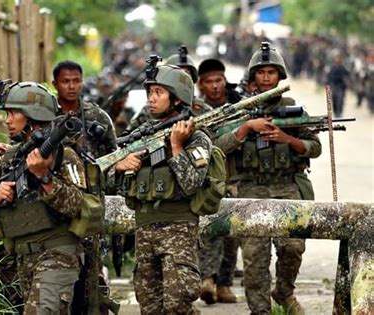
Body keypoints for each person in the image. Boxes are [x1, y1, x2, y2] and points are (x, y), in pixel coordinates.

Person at [0, 81, 86, 314]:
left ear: (33, 116)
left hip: (57, 254)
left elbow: (78, 206)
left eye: (13, 113)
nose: (7, 120)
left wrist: (45, 177)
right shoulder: (10, 157)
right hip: (20, 261)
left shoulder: (63, 155)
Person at [218, 42, 321, 315]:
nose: (266, 78)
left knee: (293, 247)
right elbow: (218, 147)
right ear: (253, 77)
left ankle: (284, 292)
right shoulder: (237, 111)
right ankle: (260, 311)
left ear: (280, 76)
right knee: (254, 258)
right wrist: (246, 128)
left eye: (271, 72)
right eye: (261, 72)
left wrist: (287, 139)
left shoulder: (293, 110)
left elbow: (315, 146)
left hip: (286, 187)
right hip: (250, 188)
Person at [109, 63, 212, 314]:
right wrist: (119, 168)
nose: (151, 99)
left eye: (158, 93)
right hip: (144, 229)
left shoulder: (196, 138)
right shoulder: (138, 137)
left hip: (178, 228)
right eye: (150, 92)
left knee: (178, 303)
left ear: (177, 99)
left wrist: (176, 147)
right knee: (150, 305)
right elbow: (107, 182)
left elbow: (190, 184)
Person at [52, 60, 119, 313]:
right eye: (65, 81)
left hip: (89, 208)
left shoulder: (97, 116)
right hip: (56, 207)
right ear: (55, 84)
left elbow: (113, 157)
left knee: (89, 277)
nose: (72, 86)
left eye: (76, 81)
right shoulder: (45, 115)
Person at [196, 58, 241, 305]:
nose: (215, 86)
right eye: (209, 82)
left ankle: (224, 283)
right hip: (205, 180)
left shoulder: (238, 105)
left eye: (218, 80)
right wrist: (239, 134)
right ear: (200, 85)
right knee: (208, 233)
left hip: (233, 179)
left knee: (232, 235)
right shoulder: (194, 110)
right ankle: (208, 280)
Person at [326, 50, 350, 117]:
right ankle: (336, 113)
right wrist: (328, 84)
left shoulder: (343, 67)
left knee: (340, 100)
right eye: (336, 57)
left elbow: (347, 75)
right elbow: (328, 77)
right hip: (333, 86)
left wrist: (346, 83)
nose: (337, 59)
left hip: (341, 87)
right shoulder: (332, 67)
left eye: (339, 57)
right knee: (334, 100)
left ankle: (339, 113)